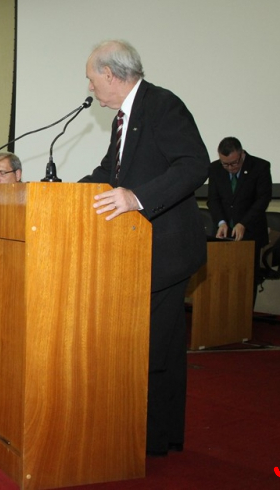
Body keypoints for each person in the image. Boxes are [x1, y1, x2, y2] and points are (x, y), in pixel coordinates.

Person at [78, 40, 209, 457]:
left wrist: (137, 198)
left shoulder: (162, 104)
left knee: (151, 344)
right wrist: (61, 194)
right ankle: (158, 436)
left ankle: (144, 436)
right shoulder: (124, 118)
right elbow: (109, 173)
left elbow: (194, 164)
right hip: (141, 252)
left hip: (167, 250)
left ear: (110, 74)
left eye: (92, 78)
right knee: (162, 345)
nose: (90, 87)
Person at [207, 137, 272, 296]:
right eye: (225, 164)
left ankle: (247, 312)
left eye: (234, 163)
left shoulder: (260, 166)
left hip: (251, 233)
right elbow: (213, 200)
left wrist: (243, 223)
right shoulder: (215, 168)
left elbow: (262, 200)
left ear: (242, 154)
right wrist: (221, 222)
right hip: (224, 234)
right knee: (222, 281)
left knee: (247, 283)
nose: (230, 168)